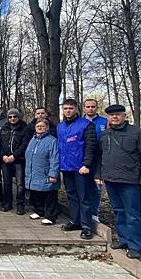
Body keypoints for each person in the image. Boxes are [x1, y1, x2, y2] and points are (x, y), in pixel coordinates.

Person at [96, 104, 141, 259]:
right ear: (107, 117)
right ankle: (123, 239)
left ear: (124, 116)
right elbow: (100, 156)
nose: (115, 117)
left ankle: (135, 244)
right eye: (111, 115)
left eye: (118, 114)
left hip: (130, 181)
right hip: (111, 179)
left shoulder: (136, 132)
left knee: (133, 213)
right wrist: (99, 175)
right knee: (119, 211)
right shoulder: (105, 134)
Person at [58, 99, 97, 240]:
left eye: (71, 108)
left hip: (81, 168)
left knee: (84, 197)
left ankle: (86, 226)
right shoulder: (60, 127)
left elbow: (91, 146)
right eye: (65, 108)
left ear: (76, 109)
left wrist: (86, 164)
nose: (68, 111)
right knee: (71, 196)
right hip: (66, 167)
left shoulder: (86, 125)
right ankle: (75, 220)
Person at [25, 119, 60, 225]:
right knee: (36, 192)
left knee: (50, 194)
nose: (40, 128)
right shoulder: (33, 139)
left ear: (47, 128)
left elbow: (55, 158)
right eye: (38, 126)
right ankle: (39, 211)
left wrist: (53, 174)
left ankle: (50, 216)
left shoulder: (52, 140)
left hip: (46, 172)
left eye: (42, 126)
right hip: (33, 172)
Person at [0, 108, 32, 215]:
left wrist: (14, 156)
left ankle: (20, 204)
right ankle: (7, 203)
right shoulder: (4, 128)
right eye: (10, 117)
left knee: (20, 183)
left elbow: (24, 144)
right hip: (5, 160)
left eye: (15, 116)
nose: (12, 118)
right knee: (7, 182)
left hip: (19, 160)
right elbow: (0, 143)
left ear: (18, 117)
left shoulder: (24, 128)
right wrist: (3, 155)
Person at [83, 99, 107, 222]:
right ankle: (83, 212)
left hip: (99, 158)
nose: (90, 109)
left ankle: (94, 213)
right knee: (83, 187)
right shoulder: (80, 122)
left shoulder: (104, 122)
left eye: (93, 106)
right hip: (84, 158)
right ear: (84, 108)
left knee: (97, 187)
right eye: (88, 106)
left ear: (96, 108)